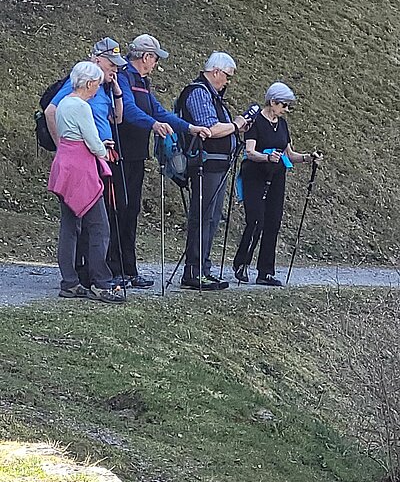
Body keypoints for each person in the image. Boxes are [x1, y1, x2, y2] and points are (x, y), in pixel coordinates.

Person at [110, 33, 211, 288]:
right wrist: (154, 125)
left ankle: (128, 269)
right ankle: (114, 267)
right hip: (118, 155)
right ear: (145, 57)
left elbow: (159, 110)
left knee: (131, 210)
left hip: (136, 156)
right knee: (119, 209)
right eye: (155, 58)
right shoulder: (123, 78)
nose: (156, 64)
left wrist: (189, 128)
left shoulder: (144, 82)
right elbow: (130, 110)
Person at [233, 81, 323, 287]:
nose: (286, 110)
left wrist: (309, 157)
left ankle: (265, 271)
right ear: (272, 102)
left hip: (277, 176)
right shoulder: (255, 121)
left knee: (273, 222)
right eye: (284, 105)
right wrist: (266, 158)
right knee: (256, 220)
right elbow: (250, 152)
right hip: (255, 175)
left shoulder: (282, 124)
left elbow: (290, 154)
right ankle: (241, 264)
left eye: (288, 106)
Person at [48, 62, 124, 304]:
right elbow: (93, 142)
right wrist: (104, 149)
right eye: (97, 85)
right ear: (90, 83)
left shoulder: (63, 104)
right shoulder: (81, 107)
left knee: (69, 228)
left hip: (64, 166)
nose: (97, 90)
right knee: (100, 227)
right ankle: (101, 284)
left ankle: (69, 282)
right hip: (81, 172)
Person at [176, 51, 248, 291]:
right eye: (227, 76)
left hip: (218, 166)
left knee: (212, 218)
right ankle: (194, 271)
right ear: (215, 71)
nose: (227, 81)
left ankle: (203, 268)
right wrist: (236, 125)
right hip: (204, 166)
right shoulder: (198, 92)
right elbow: (210, 128)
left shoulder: (214, 96)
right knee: (203, 216)